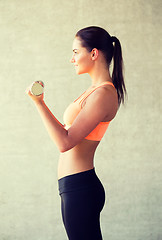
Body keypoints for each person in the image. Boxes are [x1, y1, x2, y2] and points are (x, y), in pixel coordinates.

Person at [26, 26, 126, 240]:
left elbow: (65, 142)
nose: (72, 59)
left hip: (80, 187)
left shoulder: (104, 94)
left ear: (93, 53)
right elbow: (67, 133)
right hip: (73, 186)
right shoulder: (94, 91)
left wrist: (39, 103)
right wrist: (40, 102)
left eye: (75, 52)